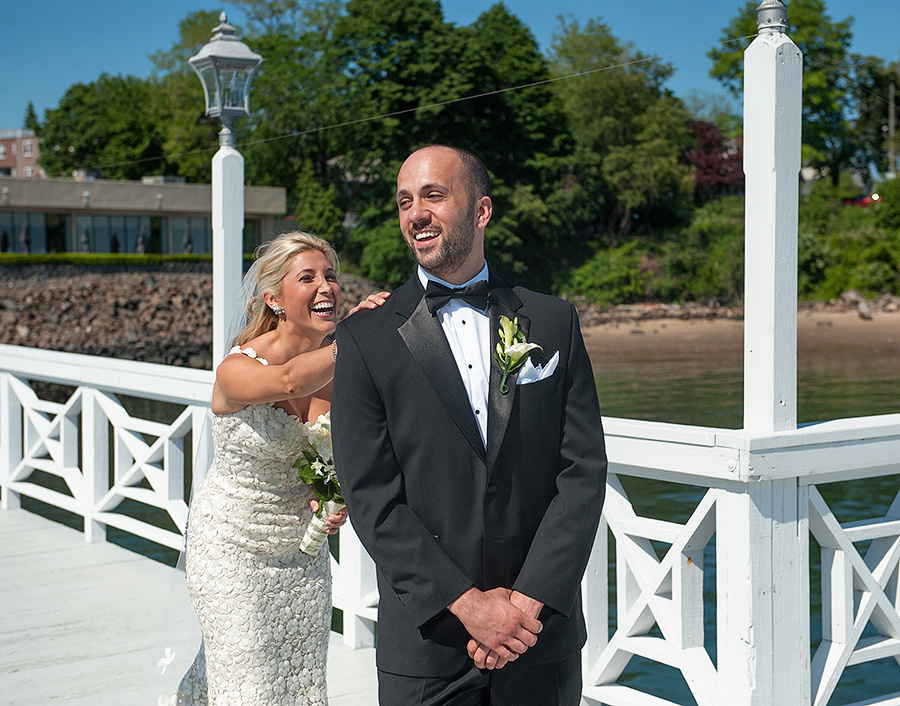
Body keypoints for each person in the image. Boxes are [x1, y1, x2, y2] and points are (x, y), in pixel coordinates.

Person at [331, 145, 608, 705]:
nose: (416, 214)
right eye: (405, 202)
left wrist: (527, 602)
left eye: (433, 196)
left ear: (481, 211)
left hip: (538, 637)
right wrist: (468, 605)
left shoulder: (552, 320)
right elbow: (371, 497)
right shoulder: (364, 337)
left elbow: (582, 472)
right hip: (427, 644)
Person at [169, 231, 388, 705]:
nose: (326, 286)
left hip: (301, 554)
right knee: (249, 685)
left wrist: (330, 499)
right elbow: (288, 381)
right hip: (230, 550)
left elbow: (343, 457)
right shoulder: (236, 368)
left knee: (298, 683)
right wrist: (356, 337)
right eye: (307, 277)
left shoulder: (343, 372)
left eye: (331, 275)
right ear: (274, 299)